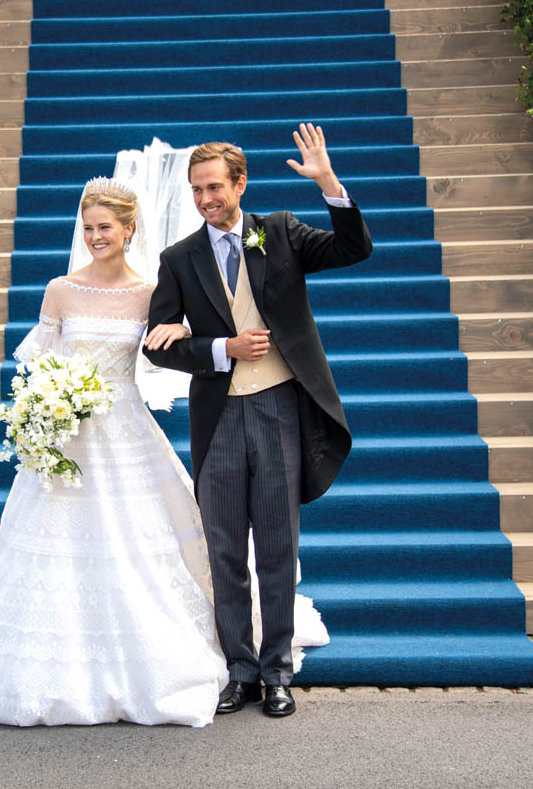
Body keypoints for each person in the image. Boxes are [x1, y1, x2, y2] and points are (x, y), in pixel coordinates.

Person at [0, 178, 229, 727]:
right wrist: (44, 407)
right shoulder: (61, 289)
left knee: (134, 542)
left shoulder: (149, 292)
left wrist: (180, 329)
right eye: (89, 227)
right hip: (67, 433)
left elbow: (169, 348)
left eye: (106, 227)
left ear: (128, 229)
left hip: (124, 428)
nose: (96, 236)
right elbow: (40, 363)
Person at [143, 124, 373, 718]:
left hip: (277, 409)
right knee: (223, 550)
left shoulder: (281, 232)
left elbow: (353, 249)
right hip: (218, 417)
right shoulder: (179, 258)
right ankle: (239, 671)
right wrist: (220, 349)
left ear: (240, 184)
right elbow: (157, 345)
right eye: (197, 189)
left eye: (214, 187)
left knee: (276, 546)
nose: (205, 199)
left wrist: (328, 182)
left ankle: (276, 673)